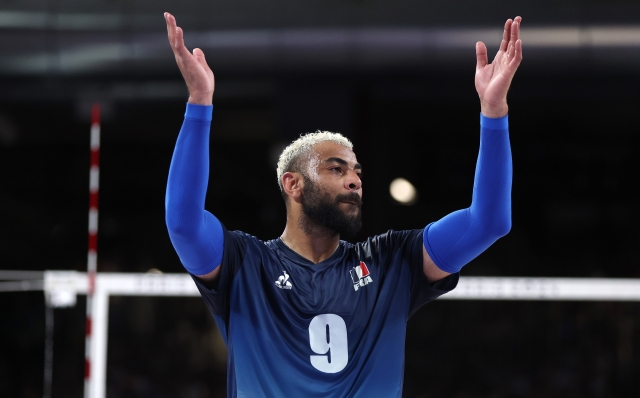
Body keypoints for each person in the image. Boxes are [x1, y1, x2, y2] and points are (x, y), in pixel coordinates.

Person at [164, 11, 522, 397]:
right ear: (293, 184)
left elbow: (488, 222)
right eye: (336, 169)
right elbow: (183, 223)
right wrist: (199, 104)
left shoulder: (391, 261)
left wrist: (494, 112)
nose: (354, 179)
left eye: (357, 172)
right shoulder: (244, 263)